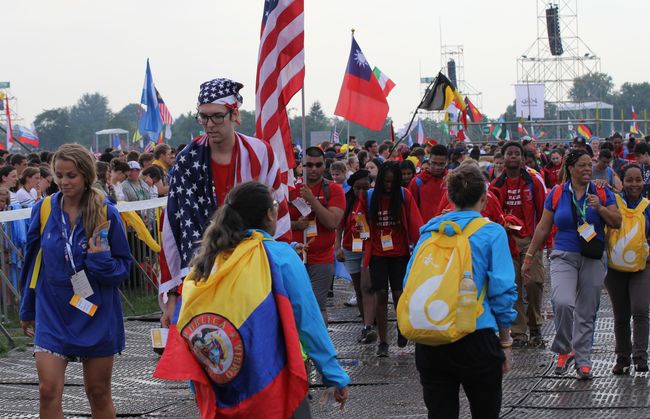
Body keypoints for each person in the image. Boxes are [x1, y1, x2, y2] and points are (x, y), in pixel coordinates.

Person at [155, 182, 349, 417]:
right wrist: (333, 374)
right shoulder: (279, 256)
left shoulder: (206, 262)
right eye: (275, 206)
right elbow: (308, 321)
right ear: (269, 214)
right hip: (275, 385)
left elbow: (193, 328)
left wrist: (198, 385)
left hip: (222, 390)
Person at [160, 77, 290, 327]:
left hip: (251, 269)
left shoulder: (260, 152)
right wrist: (175, 292)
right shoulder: (188, 160)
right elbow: (176, 227)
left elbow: (276, 210)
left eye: (217, 116)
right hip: (203, 272)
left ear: (234, 115)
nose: (209, 125)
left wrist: (282, 268)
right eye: (203, 117)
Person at [19, 143, 131, 418]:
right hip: (53, 310)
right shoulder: (44, 210)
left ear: (86, 176)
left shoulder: (106, 212)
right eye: (59, 175)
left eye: (71, 175)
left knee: (98, 392)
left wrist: (100, 260)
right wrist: (27, 307)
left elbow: (123, 268)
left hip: (96, 311)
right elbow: (33, 263)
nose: (64, 182)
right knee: (47, 390)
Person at [410, 163, 517, 418]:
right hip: (476, 335)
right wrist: (505, 341)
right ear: (484, 197)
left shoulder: (430, 231)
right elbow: (502, 292)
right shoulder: (492, 232)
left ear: (448, 197)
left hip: (431, 337)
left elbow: (409, 282)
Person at [523, 149, 621, 380]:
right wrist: (529, 256)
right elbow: (543, 227)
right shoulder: (557, 193)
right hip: (563, 254)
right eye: (583, 165)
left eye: (590, 165)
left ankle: (583, 361)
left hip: (593, 256)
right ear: (570, 168)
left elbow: (616, 221)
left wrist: (600, 208)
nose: (588, 169)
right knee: (562, 302)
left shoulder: (601, 191)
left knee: (587, 311)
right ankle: (564, 348)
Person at [489, 141, 547, 348]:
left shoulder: (534, 181)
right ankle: (518, 331)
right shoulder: (495, 185)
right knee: (512, 286)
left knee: (534, 283)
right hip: (507, 242)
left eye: (517, 154)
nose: (513, 157)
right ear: (503, 158)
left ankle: (535, 326)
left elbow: (544, 212)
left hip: (531, 239)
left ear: (523, 159)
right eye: (509, 154)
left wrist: (544, 242)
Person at [364, 162, 423, 356]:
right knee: (380, 294)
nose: (389, 186)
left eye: (393, 182)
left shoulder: (404, 195)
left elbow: (415, 224)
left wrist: (420, 248)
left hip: (399, 254)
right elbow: (360, 222)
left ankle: (401, 326)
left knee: (399, 294)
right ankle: (383, 341)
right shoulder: (370, 196)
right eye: (386, 182)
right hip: (377, 254)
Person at [289, 147, 345, 324]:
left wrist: (312, 200)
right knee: (293, 306)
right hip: (294, 257)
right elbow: (275, 224)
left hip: (321, 259)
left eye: (318, 165)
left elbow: (332, 222)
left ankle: (321, 349)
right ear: (301, 166)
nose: (313, 169)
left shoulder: (334, 189)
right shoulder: (289, 189)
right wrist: (296, 225)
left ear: (324, 166)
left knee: (317, 305)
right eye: (309, 165)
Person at [604, 164, 650, 374]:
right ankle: (622, 358)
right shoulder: (613, 202)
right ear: (622, 181)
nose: (634, 184)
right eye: (629, 180)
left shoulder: (648, 207)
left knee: (640, 309)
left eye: (638, 179)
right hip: (615, 269)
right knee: (621, 315)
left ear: (643, 181)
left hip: (643, 267)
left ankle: (640, 357)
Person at [335, 169, 376, 342]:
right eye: (357, 188)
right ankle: (365, 317)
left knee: (368, 287)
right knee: (359, 288)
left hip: (370, 247)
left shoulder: (374, 199)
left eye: (365, 188)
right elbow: (339, 226)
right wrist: (337, 247)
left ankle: (369, 324)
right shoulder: (347, 200)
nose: (361, 192)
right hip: (350, 248)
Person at [408, 144, 448, 223]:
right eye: (434, 163)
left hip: (446, 230)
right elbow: (410, 210)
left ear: (447, 162)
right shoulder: (417, 182)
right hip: (424, 230)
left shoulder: (452, 181)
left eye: (441, 164)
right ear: (429, 159)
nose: (437, 167)